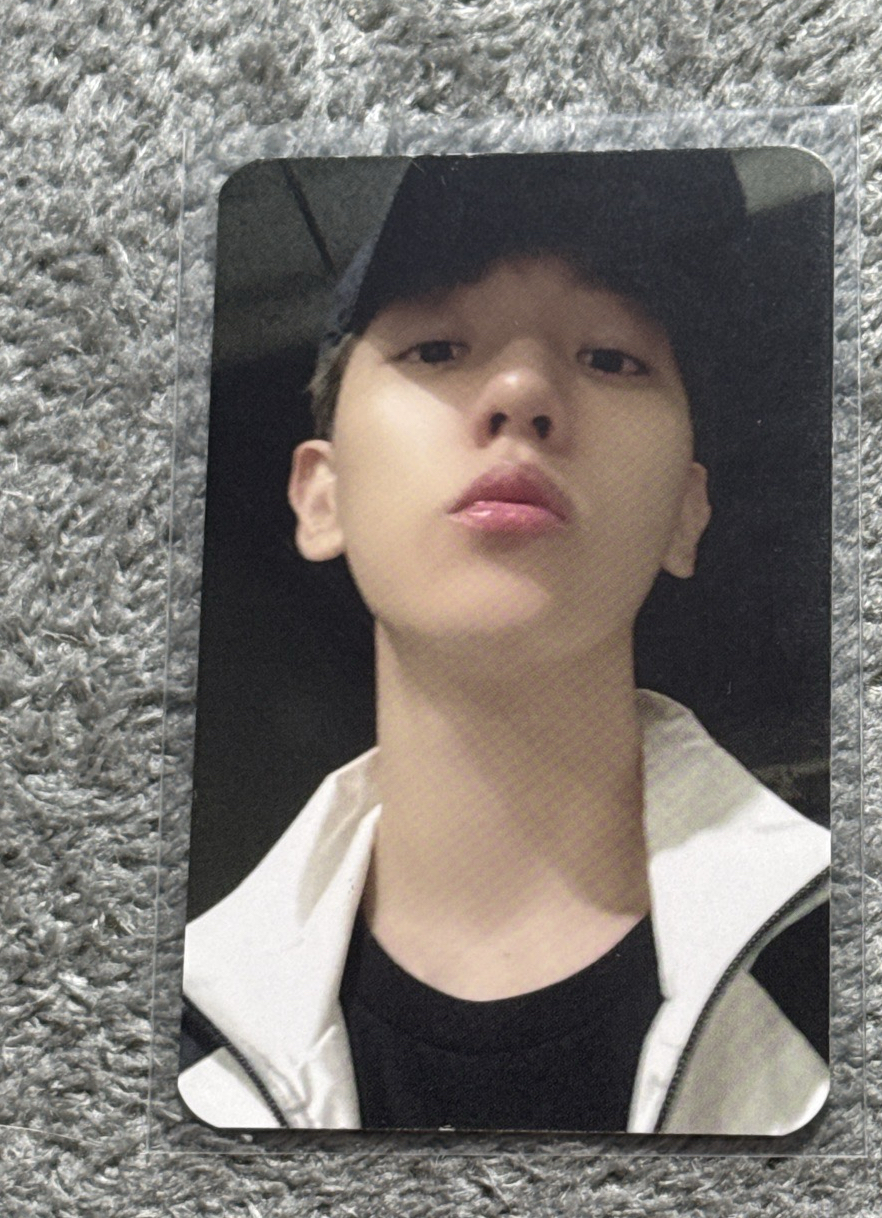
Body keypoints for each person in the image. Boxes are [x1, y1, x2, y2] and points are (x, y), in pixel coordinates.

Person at [178, 150, 830, 1135]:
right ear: (322, 495)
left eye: (611, 357)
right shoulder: (162, 1051)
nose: (523, 391)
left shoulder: (866, 971)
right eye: (438, 348)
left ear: (684, 513)